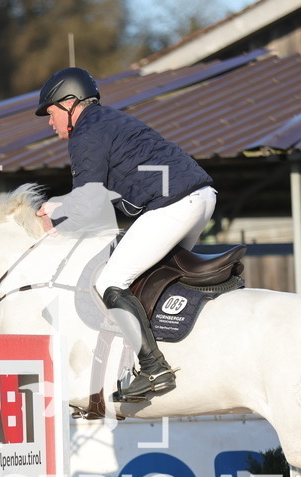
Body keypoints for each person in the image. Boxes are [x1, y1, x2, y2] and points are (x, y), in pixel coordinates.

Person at [35, 67, 217, 403]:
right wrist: (61, 205)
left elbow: (89, 204)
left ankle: (153, 367)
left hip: (173, 204)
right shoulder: (108, 121)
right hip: (201, 197)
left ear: (70, 103)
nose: (49, 122)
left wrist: (56, 218)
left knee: (110, 281)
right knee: (147, 278)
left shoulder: (85, 134)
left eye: (51, 113)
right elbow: (99, 195)